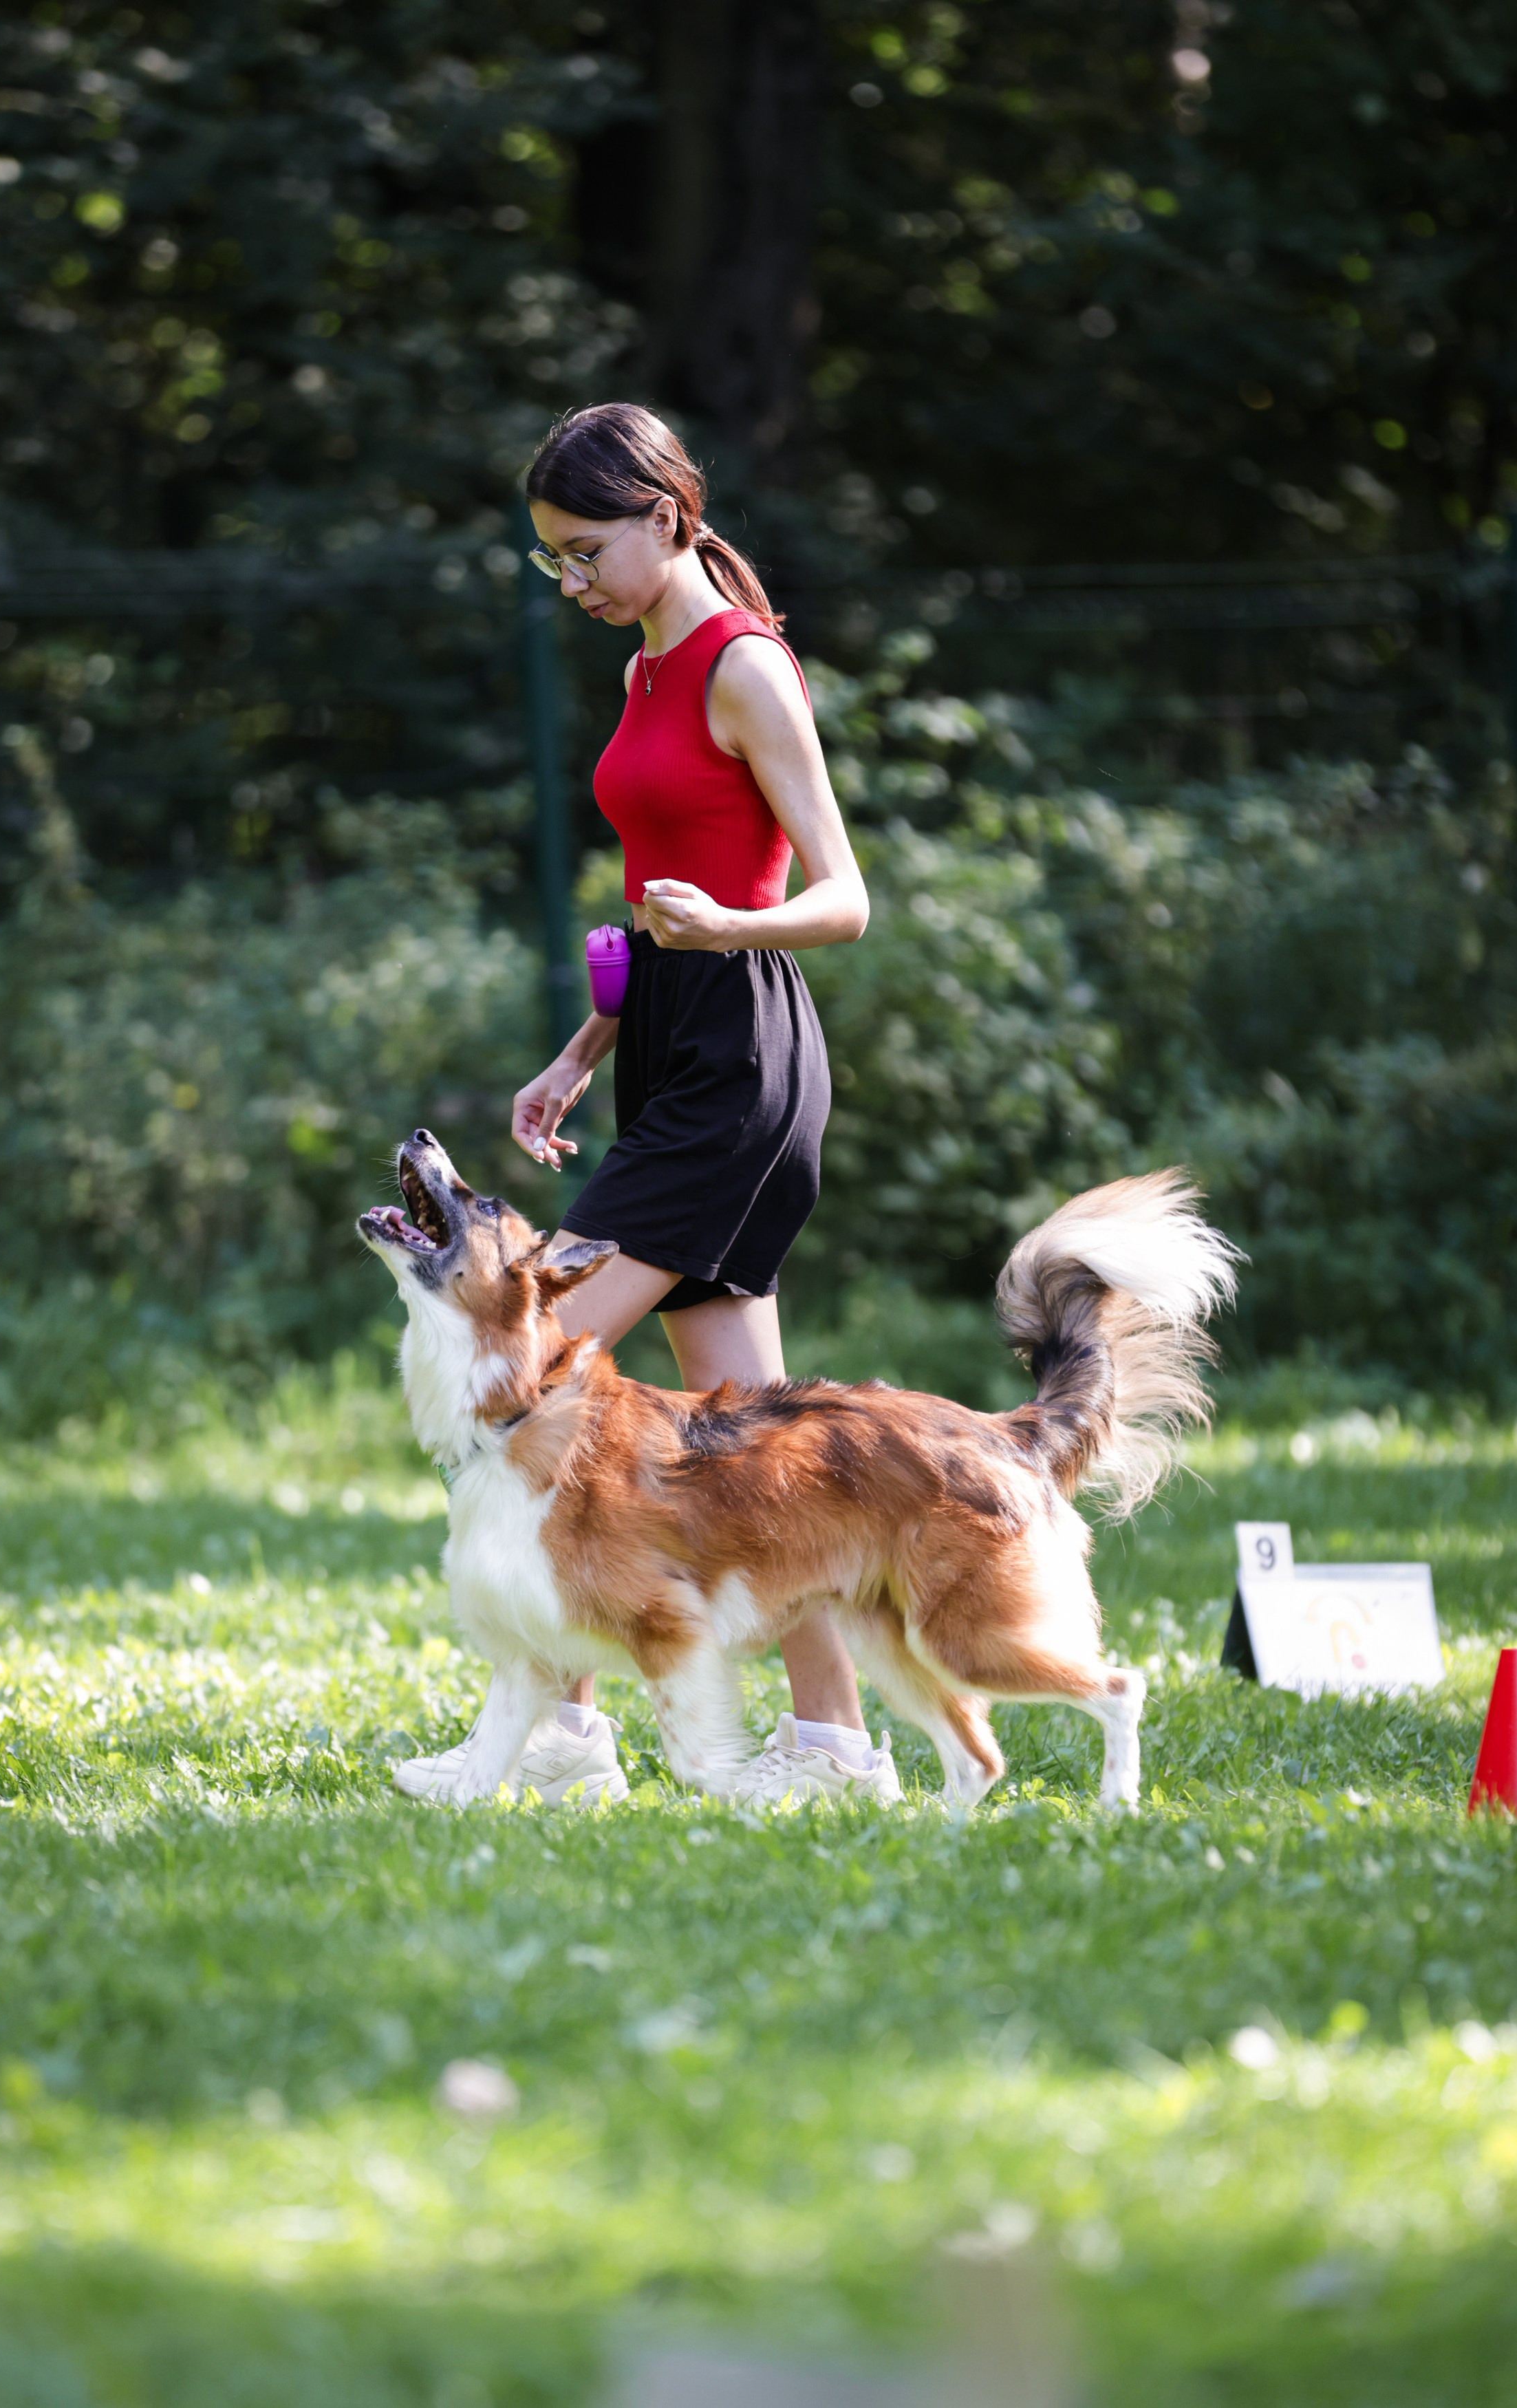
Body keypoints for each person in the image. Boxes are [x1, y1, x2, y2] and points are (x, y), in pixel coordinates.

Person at [495, 401, 897, 1807]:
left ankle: (561, 1733)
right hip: (668, 1042)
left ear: (667, 516)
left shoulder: (744, 669)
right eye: (553, 557)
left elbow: (842, 897)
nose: (573, 581)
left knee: (528, 1375)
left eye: (587, 548)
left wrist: (730, 925)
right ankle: (836, 1749)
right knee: (749, 1440)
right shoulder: (643, 671)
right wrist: (582, 1049)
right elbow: (644, 905)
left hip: (742, 1055)